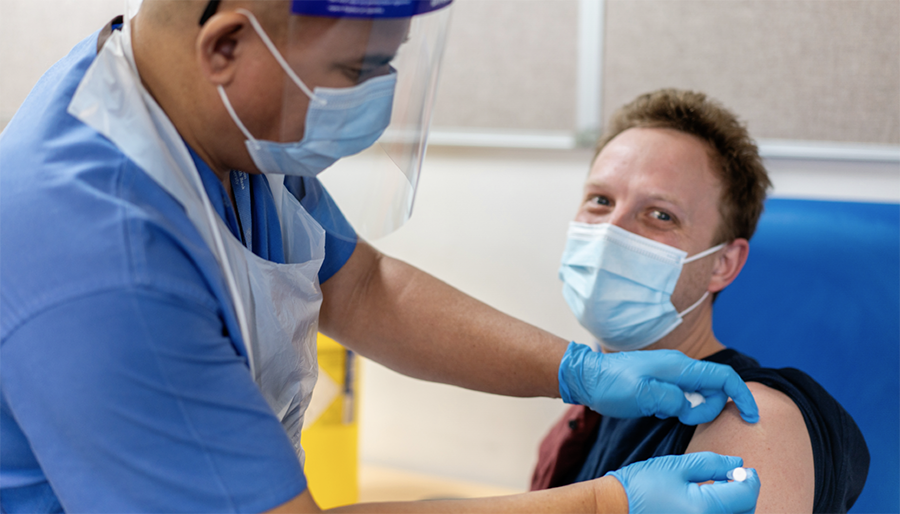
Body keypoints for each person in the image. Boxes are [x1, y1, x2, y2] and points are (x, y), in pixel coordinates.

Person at [0, 1, 762, 512]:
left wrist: (578, 371)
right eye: (355, 75)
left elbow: (362, 286)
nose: (376, 100)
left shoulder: (217, 124)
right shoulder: (105, 261)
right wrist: (603, 502)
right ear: (227, 46)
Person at [533, 89, 870, 513]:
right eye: (601, 201)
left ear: (723, 264)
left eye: (660, 215)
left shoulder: (750, 417)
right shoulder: (581, 417)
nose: (611, 232)